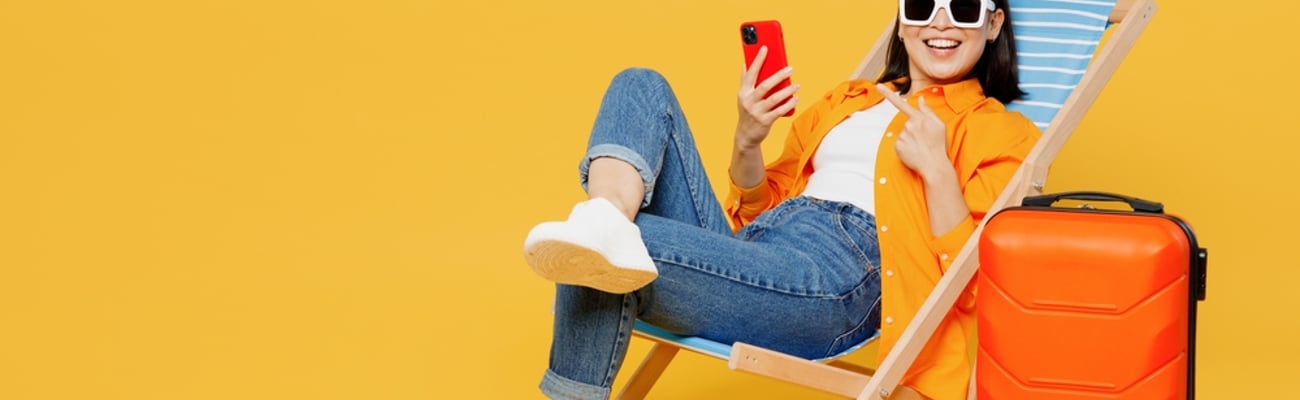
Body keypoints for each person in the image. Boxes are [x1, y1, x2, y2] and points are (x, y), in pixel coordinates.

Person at [522, 0, 1039, 398]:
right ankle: (606, 217)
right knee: (639, 87)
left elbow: (974, 285)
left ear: (992, 26)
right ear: (902, 23)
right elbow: (757, 209)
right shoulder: (845, 101)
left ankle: (606, 228)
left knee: (611, 247)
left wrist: (938, 171)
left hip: (833, 288)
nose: (941, 24)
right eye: (923, 7)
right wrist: (748, 140)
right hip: (758, 253)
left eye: (965, 9)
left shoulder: (1000, 132)